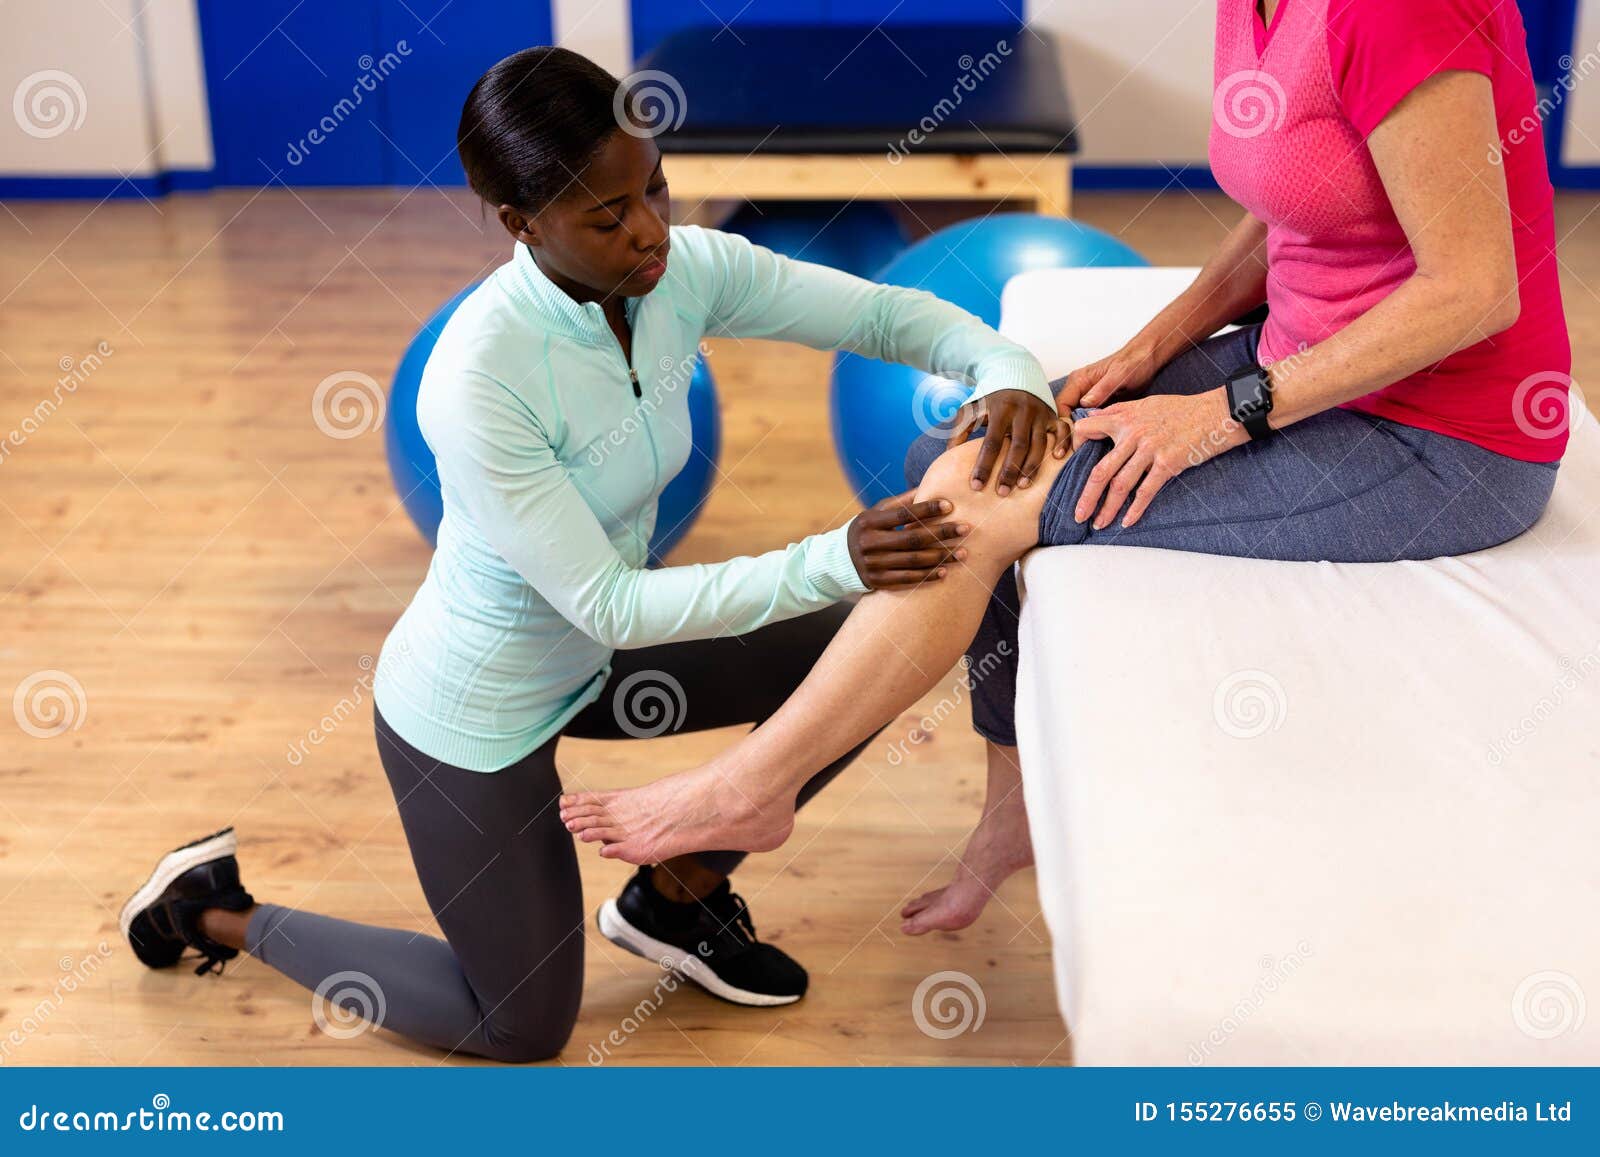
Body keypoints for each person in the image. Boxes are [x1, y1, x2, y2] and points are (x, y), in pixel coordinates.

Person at [118, 45, 1063, 1062]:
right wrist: (837, 553)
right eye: (607, 216)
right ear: (521, 222)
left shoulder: (679, 271)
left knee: (873, 647)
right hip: (478, 711)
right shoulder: (479, 380)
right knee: (517, 1024)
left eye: (653, 185)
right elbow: (607, 604)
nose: (650, 229)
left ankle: (678, 896)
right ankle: (210, 908)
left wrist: (1006, 372)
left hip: (601, 663)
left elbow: (877, 311)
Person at [557, 0, 1574, 938]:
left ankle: (752, 785)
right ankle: (1013, 814)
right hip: (1306, 361)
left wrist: (1220, 412)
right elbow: (1289, 201)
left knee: (970, 508)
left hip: (1439, 438)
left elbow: (1474, 289)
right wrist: (1153, 345)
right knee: (955, 453)